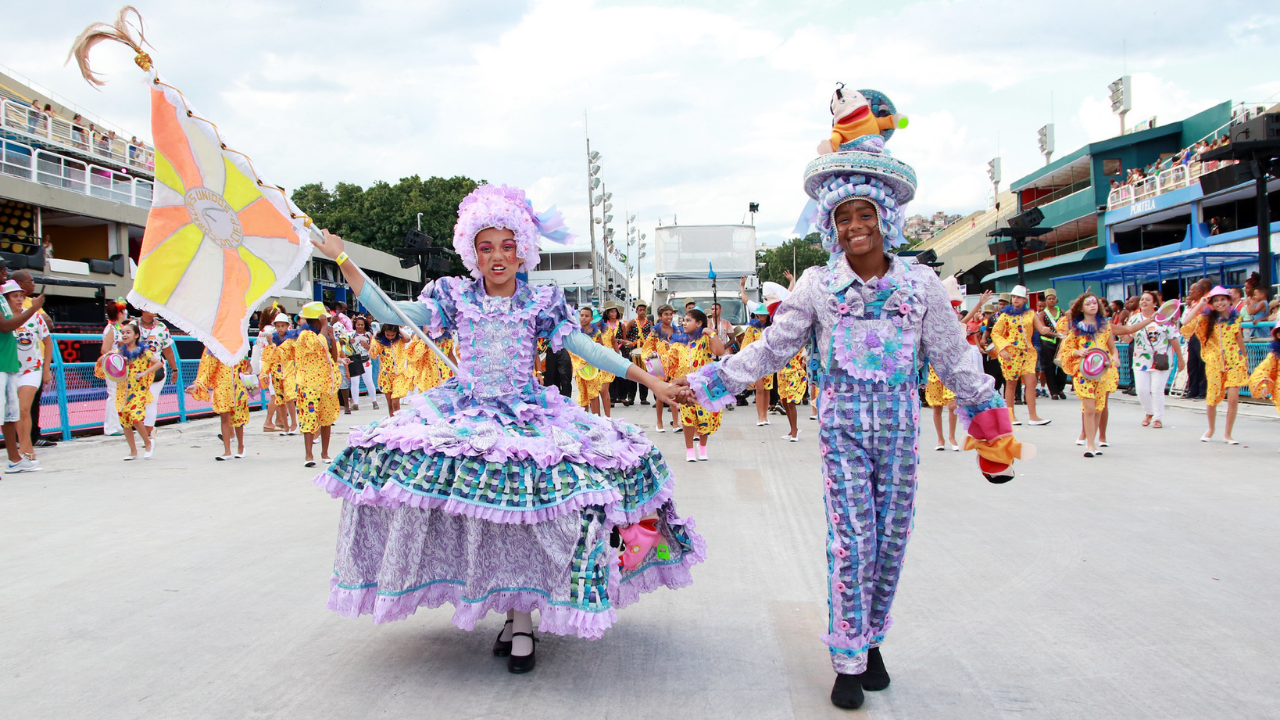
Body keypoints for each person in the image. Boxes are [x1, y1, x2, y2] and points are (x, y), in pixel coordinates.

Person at [672, 97, 1024, 709]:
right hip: (842, 434)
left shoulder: (919, 286)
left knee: (890, 543)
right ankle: (846, 656)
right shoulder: (817, 285)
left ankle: (871, 638)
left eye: (865, 214)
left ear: (887, 217)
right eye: (842, 217)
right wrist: (706, 384)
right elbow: (771, 351)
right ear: (831, 226)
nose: (854, 226)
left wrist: (991, 434)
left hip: (900, 433)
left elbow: (957, 360)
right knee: (851, 541)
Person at [309, 183, 700, 674]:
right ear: (473, 252)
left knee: (538, 512)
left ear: (523, 252)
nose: (497, 256)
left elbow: (589, 349)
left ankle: (521, 621)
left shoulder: (540, 302)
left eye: (507, 245)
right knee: (485, 516)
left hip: (526, 418)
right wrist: (344, 259)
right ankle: (510, 611)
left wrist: (653, 384)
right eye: (486, 246)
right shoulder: (453, 297)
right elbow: (393, 314)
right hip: (465, 416)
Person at [1059, 293, 1151, 457]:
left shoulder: (1105, 326)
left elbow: (1113, 347)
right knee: (1089, 408)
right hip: (1083, 373)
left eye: (1095, 303)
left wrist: (1115, 357)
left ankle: (1095, 441)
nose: (1093, 305)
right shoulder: (1076, 328)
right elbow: (1066, 350)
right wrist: (1077, 352)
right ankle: (1090, 445)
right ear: (1082, 307)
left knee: (1099, 409)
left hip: (1102, 372)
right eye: (1088, 304)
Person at [1181, 286, 1248, 444]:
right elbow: (1185, 322)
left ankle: (1228, 434)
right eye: (1216, 300)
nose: (1220, 303)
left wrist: (1244, 357)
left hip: (1234, 362)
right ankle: (1211, 429)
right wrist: (1200, 304)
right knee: (1212, 399)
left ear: (1229, 300)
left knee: (1233, 399)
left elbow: (1239, 338)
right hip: (1214, 363)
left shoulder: (1236, 318)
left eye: (1223, 299)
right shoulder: (1205, 319)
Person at [95, 321, 161, 461]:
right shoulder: (119, 352)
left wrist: (143, 373)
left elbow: (158, 363)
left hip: (138, 389)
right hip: (123, 390)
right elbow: (101, 360)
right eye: (123, 333)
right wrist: (111, 355)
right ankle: (133, 451)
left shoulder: (143, 351)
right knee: (125, 420)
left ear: (137, 335)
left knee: (135, 417)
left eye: (128, 332)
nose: (125, 335)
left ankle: (148, 443)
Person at [990, 285, 1054, 426]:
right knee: (1011, 383)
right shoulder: (1005, 315)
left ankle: (1033, 416)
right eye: (1014, 297)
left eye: (1018, 297)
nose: (1015, 299)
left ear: (1025, 299)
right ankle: (1010, 416)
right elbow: (995, 333)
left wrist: (1046, 329)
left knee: (1031, 382)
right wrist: (1003, 349)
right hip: (1011, 353)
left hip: (1028, 352)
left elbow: (1040, 329)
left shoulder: (1031, 314)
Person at [667, 308, 725, 460]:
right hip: (686, 387)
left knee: (705, 418)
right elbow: (669, 362)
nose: (684, 323)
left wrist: (712, 333)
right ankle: (689, 450)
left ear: (699, 323)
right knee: (687, 418)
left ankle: (703, 447)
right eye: (684, 320)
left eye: (688, 320)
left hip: (705, 386)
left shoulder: (706, 339)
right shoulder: (679, 342)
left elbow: (719, 351)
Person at [4, 283, 50, 469]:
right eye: (14, 296)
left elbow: (47, 341)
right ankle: (27, 449)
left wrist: (46, 369)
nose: (19, 299)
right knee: (15, 413)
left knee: (24, 408)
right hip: (11, 370)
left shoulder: (35, 317)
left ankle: (24, 451)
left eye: (21, 295)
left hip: (32, 369)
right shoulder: (5, 320)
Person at [9, 270, 56, 448]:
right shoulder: (5, 308)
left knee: (28, 405)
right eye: (30, 281)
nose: (33, 284)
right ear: (19, 283)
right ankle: (19, 442)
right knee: (14, 407)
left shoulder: (31, 304)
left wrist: (45, 369)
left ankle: (30, 442)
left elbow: (49, 324)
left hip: (33, 364)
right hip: (10, 365)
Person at [1129, 291, 1184, 429]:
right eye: (1142, 299)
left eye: (1148, 299)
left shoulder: (1164, 319)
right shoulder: (1134, 319)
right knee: (1141, 390)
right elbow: (1127, 336)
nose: (1144, 302)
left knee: (1157, 389)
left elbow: (1174, 339)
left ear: (1154, 303)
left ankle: (1158, 418)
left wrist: (1181, 359)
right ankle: (1149, 412)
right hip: (1140, 359)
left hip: (1161, 359)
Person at [294, 302, 339, 466]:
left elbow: (334, 357)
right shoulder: (306, 335)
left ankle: (325, 453)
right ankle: (308, 455)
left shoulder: (323, 334)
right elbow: (316, 344)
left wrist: (332, 338)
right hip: (309, 385)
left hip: (326, 384)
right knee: (309, 418)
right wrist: (324, 328)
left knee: (326, 419)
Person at [185, 348, 251, 460]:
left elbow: (248, 365)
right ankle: (227, 451)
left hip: (238, 388)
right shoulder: (215, 350)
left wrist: (247, 373)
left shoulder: (240, 348)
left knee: (238, 419)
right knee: (224, 416)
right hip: (221, 388)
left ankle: (241, 447)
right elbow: (207, 371)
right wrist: (197, 385)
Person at [137, 310, 177, 437]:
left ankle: (148, 434)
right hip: (136, 370)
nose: (154, 310)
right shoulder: (132, 325)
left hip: (156, 369)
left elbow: (168, 351)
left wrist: (174, 369)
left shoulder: (161, 327)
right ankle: (146, 429)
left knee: (151, 400)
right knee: (137, 401)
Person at [643, 304, 682, 431]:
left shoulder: (677, 331)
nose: (669, 316)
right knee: (660, 395)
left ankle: (675, 423)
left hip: (674, 366)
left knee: (674, 392)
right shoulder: (655, 332)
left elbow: (681, 346)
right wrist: (654, 354)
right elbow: (647, 348)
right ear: (660, 316)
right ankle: (659, 423)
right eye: (666, 314)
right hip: (660, 366)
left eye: (671, 314)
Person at [258, 312, 299, 434]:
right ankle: (285, 426)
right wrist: (264, 373)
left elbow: (298, 354)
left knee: (290, 398)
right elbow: (268, 357)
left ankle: (294, 424)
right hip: (276, 374)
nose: (280, 328)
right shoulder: (273, 339)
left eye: (282, 325)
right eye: (278, 325)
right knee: (279, 400)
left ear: (287, 326)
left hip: (288, 372)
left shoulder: (291, 339)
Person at [99, 298, 129, 437]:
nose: (125, 313)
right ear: (119, 313)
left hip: (120, 365)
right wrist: (117, 355)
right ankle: (110, 427)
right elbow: (105, 349)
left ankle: (117, 425)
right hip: (112, 366)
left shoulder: (119, 328)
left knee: (120, 395)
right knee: (113, 394)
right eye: (123, 311)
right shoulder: (111, 329)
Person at [570, 308, 609, 415]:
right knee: (582, 395)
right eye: (581, 315)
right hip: (579, 369)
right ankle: (586, 422)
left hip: (593, 369)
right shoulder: (574, 332)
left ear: (591, 318)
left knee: (593, 395)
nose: (583, 318)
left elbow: (601, 348)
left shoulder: (597, 332)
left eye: (586, 316)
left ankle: (597, 420)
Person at [369, 322, 410, 416]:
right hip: (385, 376)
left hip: (399, 375)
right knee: (390, 404)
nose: (390, 337)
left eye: (392, 335)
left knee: (396, 402)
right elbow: (373, 354)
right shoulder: (381, 342)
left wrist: (398, 329)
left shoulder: (399, 340)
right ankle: (392, 423)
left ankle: (398, 422)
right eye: (387, 334)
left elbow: (408, 339)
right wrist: (375, 336)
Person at [621, 302, 655, 406]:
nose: (642, 311)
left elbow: (653, 334)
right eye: (640, 310)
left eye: (644, 310)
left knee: (644, 374)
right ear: (636, 311)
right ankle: (631, 397)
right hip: (634, 350)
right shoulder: (632, 322)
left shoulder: (649, 323)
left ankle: (643, 398)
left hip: (644, 350)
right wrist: (629, 343)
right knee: (633, 374)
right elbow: (624, 335)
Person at [1182, 279, 1211, 400]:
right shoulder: (1194, 304)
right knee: (1192, 364)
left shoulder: (1205, 304)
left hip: (1201, 336)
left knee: (1201, 364)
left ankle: (1202, 391)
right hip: (1192, 336)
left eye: (1192, 290)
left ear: (1199, 292)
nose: (1189, 292)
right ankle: (1192, 390)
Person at [1036, 288, 1067, 400]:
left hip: (1061, 342)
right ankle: (1053, 391)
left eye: (1053, 298)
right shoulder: (1042, 314)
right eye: (1049, 299)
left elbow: (1067, 324)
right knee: (1049, 367)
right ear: (1046, 300)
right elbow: (1042, 329)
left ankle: (1060, 389)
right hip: (1047, 343)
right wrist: (1056, 335)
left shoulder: (1062, 312)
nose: (1051, 301)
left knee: (1063, 365)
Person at [349, 315, 376, 410]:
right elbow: (347, 349)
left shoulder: (369, 335)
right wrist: (350, 343)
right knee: (354, 382)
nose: (360, 326)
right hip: (355, 360)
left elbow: (373, 349)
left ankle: (374, 401)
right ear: (355, 325)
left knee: (368, 381)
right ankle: (356, 403)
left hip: (366, 360)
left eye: (362, 325)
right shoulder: (351, 335)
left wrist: (367, 346)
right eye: (358, 324)